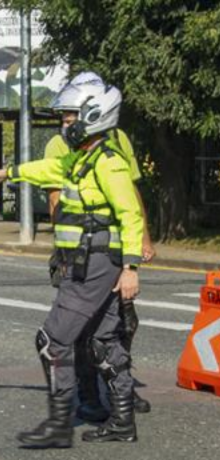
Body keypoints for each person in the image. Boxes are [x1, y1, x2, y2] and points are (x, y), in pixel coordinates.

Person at [0, 76, 145, 448]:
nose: (64, 124)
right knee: (102, 340)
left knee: (52, 341)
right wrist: (8, 173)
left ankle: (60, 424)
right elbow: (46, 171)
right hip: (90, 262)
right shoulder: (81, 159)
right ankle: (123, 421)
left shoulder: (108, 164)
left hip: (94, 265)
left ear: (92, 116)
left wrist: (131, 268)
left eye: (68, 117)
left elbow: (130, 214)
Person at [43, 71, 154, 423]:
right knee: (79, 326)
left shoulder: (117, 137)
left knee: (121, 322)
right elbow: (56, 197)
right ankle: (88, 395)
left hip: (114, 249)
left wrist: (143, 238)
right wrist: (67, 247)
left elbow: (130, 192)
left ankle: (120, 390)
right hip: (79, 248)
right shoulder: (61, 142)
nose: (67, 119)